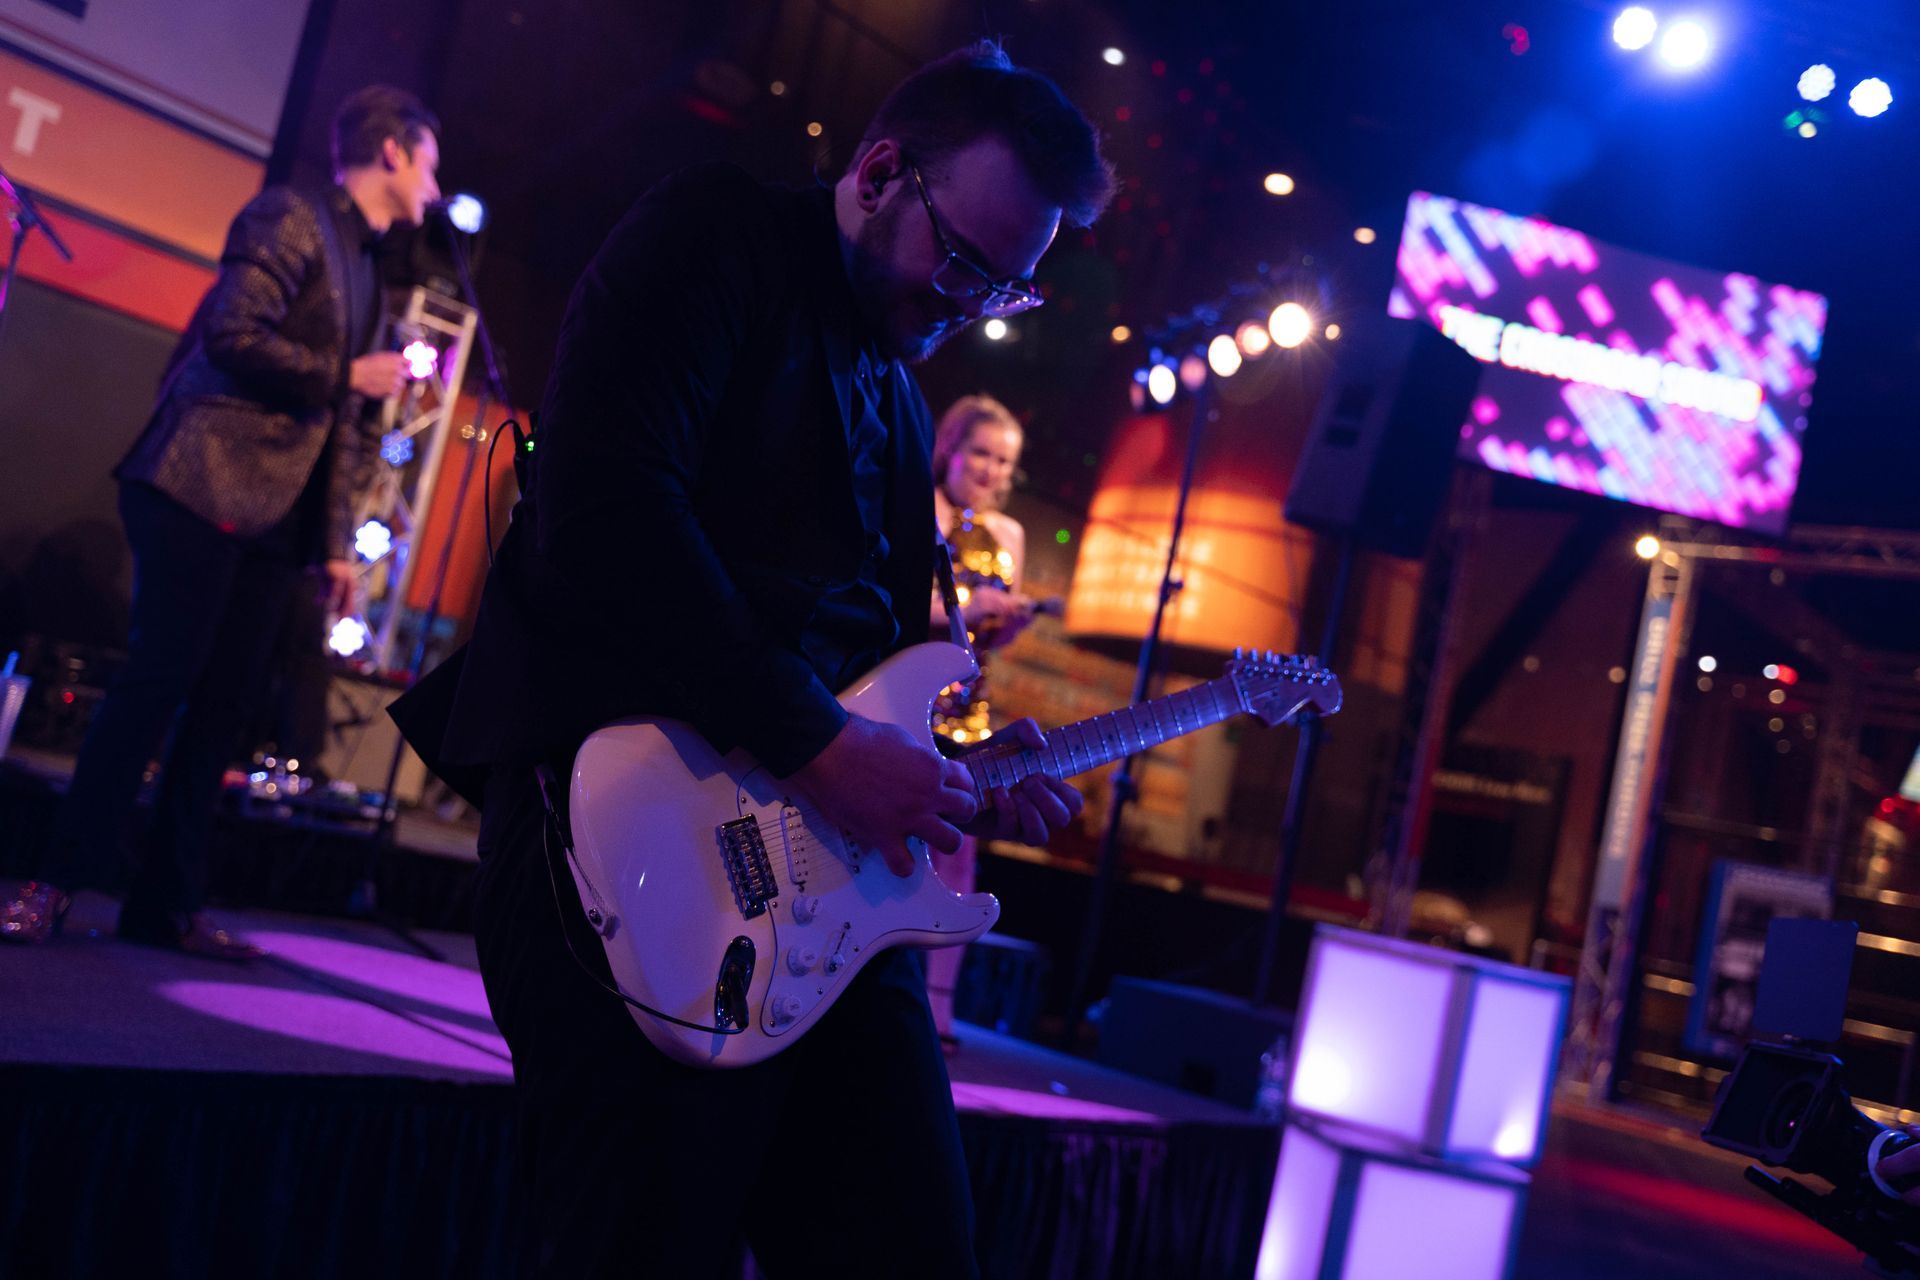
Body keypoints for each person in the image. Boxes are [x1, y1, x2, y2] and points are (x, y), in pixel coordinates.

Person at [388, 41, 1111, 1277]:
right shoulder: (713, 236)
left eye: (1006, 290)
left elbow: (876, 668)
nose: (969, 307)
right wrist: (821, 744)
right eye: (962, 263)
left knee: (917, 1247)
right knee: (638, 1243)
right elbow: (609, 511)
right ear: (880, 173)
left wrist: (963, 772)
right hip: (617, 835)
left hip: (824, 903)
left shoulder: (902, 407)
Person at [0, 86, 441, 955]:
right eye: (430, 164)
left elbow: (343, 430)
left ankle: (165, 905)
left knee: (222, 712)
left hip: (276, 518)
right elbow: (233, 335)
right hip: (201, 483)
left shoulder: (368, 265)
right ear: (391, 151)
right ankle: (52, 884)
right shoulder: (291, 215)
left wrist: (336, 550)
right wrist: (345, 374)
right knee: (157, 683)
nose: (435, 187)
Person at [925, 393, 1046, 1044]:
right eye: (981, 453)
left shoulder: (1011, 535)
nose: (991, 470)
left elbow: (988, 639)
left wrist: (1009, 624)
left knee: (958, 852)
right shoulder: (922, 508)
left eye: (1003, 461)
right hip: (905, 691)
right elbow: (896, 603)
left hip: (968, 704)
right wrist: (970, 607)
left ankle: (938, 1009)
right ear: (949, 448)